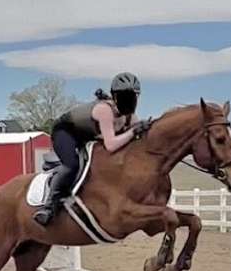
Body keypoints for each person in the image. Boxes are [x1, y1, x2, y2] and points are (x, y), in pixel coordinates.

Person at [33, 72, 151, 226]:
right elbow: (111, 145)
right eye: (126, 96)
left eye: (133, 96)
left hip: (86, 136)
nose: (131, 101)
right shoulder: (105, 110)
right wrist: (133, 132)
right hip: (65, 133)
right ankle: (48, 207)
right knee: (71, 165)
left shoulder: (131, 117)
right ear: (115, 97)